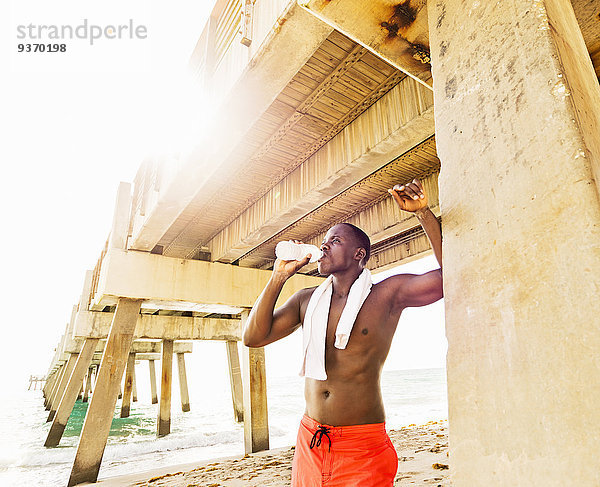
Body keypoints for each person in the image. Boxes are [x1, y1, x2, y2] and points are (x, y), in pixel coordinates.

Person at [243, 179, 443, 486]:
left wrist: (423, 213)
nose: (324, 246)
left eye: (335, 241)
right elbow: (253, 338)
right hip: (312, 438)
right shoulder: (306, 300)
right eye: (324, 241)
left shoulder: (386, 296)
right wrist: (278, 276)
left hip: (362, 444)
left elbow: (449, 275)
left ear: (358, 254)